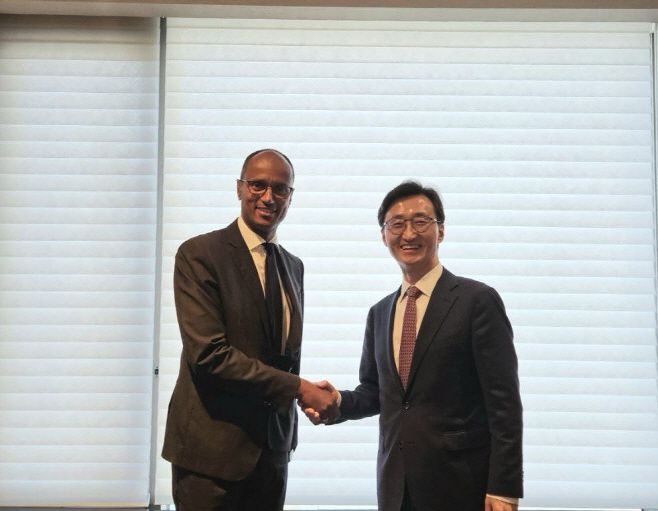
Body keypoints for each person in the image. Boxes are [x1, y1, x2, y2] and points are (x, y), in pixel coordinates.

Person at [305, 181, 523, 511]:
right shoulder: (379, 313)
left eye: (421, 221)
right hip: (396, 488)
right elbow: (376, 392)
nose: (409, 233)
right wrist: (337, 402)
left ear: (441, 230)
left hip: (463, 485)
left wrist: (504, 488)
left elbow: (503, 403)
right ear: (384, 236)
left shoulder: (477, 301)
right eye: (397, 224)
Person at [162, 149, 337, 511]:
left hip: (272, 454)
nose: (268, 197)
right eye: (258, 185)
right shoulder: (199, 255)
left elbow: (286, 357)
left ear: (290, 197)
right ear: (239, 188)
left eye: (280, 189)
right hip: (210, 457)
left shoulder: (293, 267)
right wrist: (299, 388)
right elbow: (210, 356)